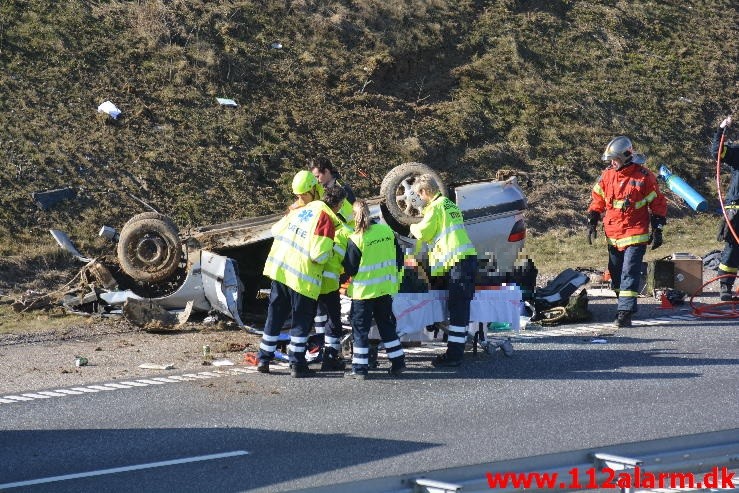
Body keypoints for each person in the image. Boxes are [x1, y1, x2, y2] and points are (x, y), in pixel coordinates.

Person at [257, 170, 336, 378]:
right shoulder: (324, 216)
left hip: (280, 271)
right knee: (301, 320)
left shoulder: (295, 211)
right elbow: (318, 255)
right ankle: (297, 364)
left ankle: (264, 358)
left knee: (275, 315)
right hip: (301, 276)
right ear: (315, 188)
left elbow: (275, 230)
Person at [587, 136, 667, 327]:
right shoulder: (607, 175)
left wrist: (657, 229)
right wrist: (592, 220)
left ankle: (624, 313)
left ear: (626, 157)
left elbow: (658, 204)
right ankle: (627, 303)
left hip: (635, 233)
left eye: (615, 159)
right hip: (613, 234)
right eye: (611, 160)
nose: (612, 163)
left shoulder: (644, 177)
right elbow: (598, 198)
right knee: (615, 273)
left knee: (629, 271)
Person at [410, 174, 478, 367]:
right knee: (459, 308)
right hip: (464, 260)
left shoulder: (436, 207)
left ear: (424, 192)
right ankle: (455, 351)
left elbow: (424, 232)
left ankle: (454, 355)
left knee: (458, 309)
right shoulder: (449, 204)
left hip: (459, 262)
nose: (419, 200)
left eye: (418, 195)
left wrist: (412, 226)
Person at [342, 199, 405, 379]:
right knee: (387, 326)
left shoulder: (356, 238)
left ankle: (360, 369)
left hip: (363, 292)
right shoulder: (387, 231)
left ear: (354, 217)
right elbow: (399, 259)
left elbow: (350, 268)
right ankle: (398, 362)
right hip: (384, 289)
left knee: (360, 329)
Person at [313, 184, 353, 370]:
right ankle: (330, 356)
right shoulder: (344, 230)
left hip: (312, 278)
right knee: (333, 320)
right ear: (339, 205)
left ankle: (320, 349)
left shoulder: (316, 217)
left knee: (319, 316)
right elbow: (350, 260)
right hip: (330, 281)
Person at [711, 115, 739, 302]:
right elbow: (717, 152)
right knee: (732, 247)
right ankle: (725, 287)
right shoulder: (738, 152)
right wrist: (721, 129)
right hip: (737, 208)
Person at [310, 158, 356, 226]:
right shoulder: (321, 187)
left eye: (317, 176)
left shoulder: (343, 188)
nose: (317, 180)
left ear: (326, 171)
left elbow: (354, 209)